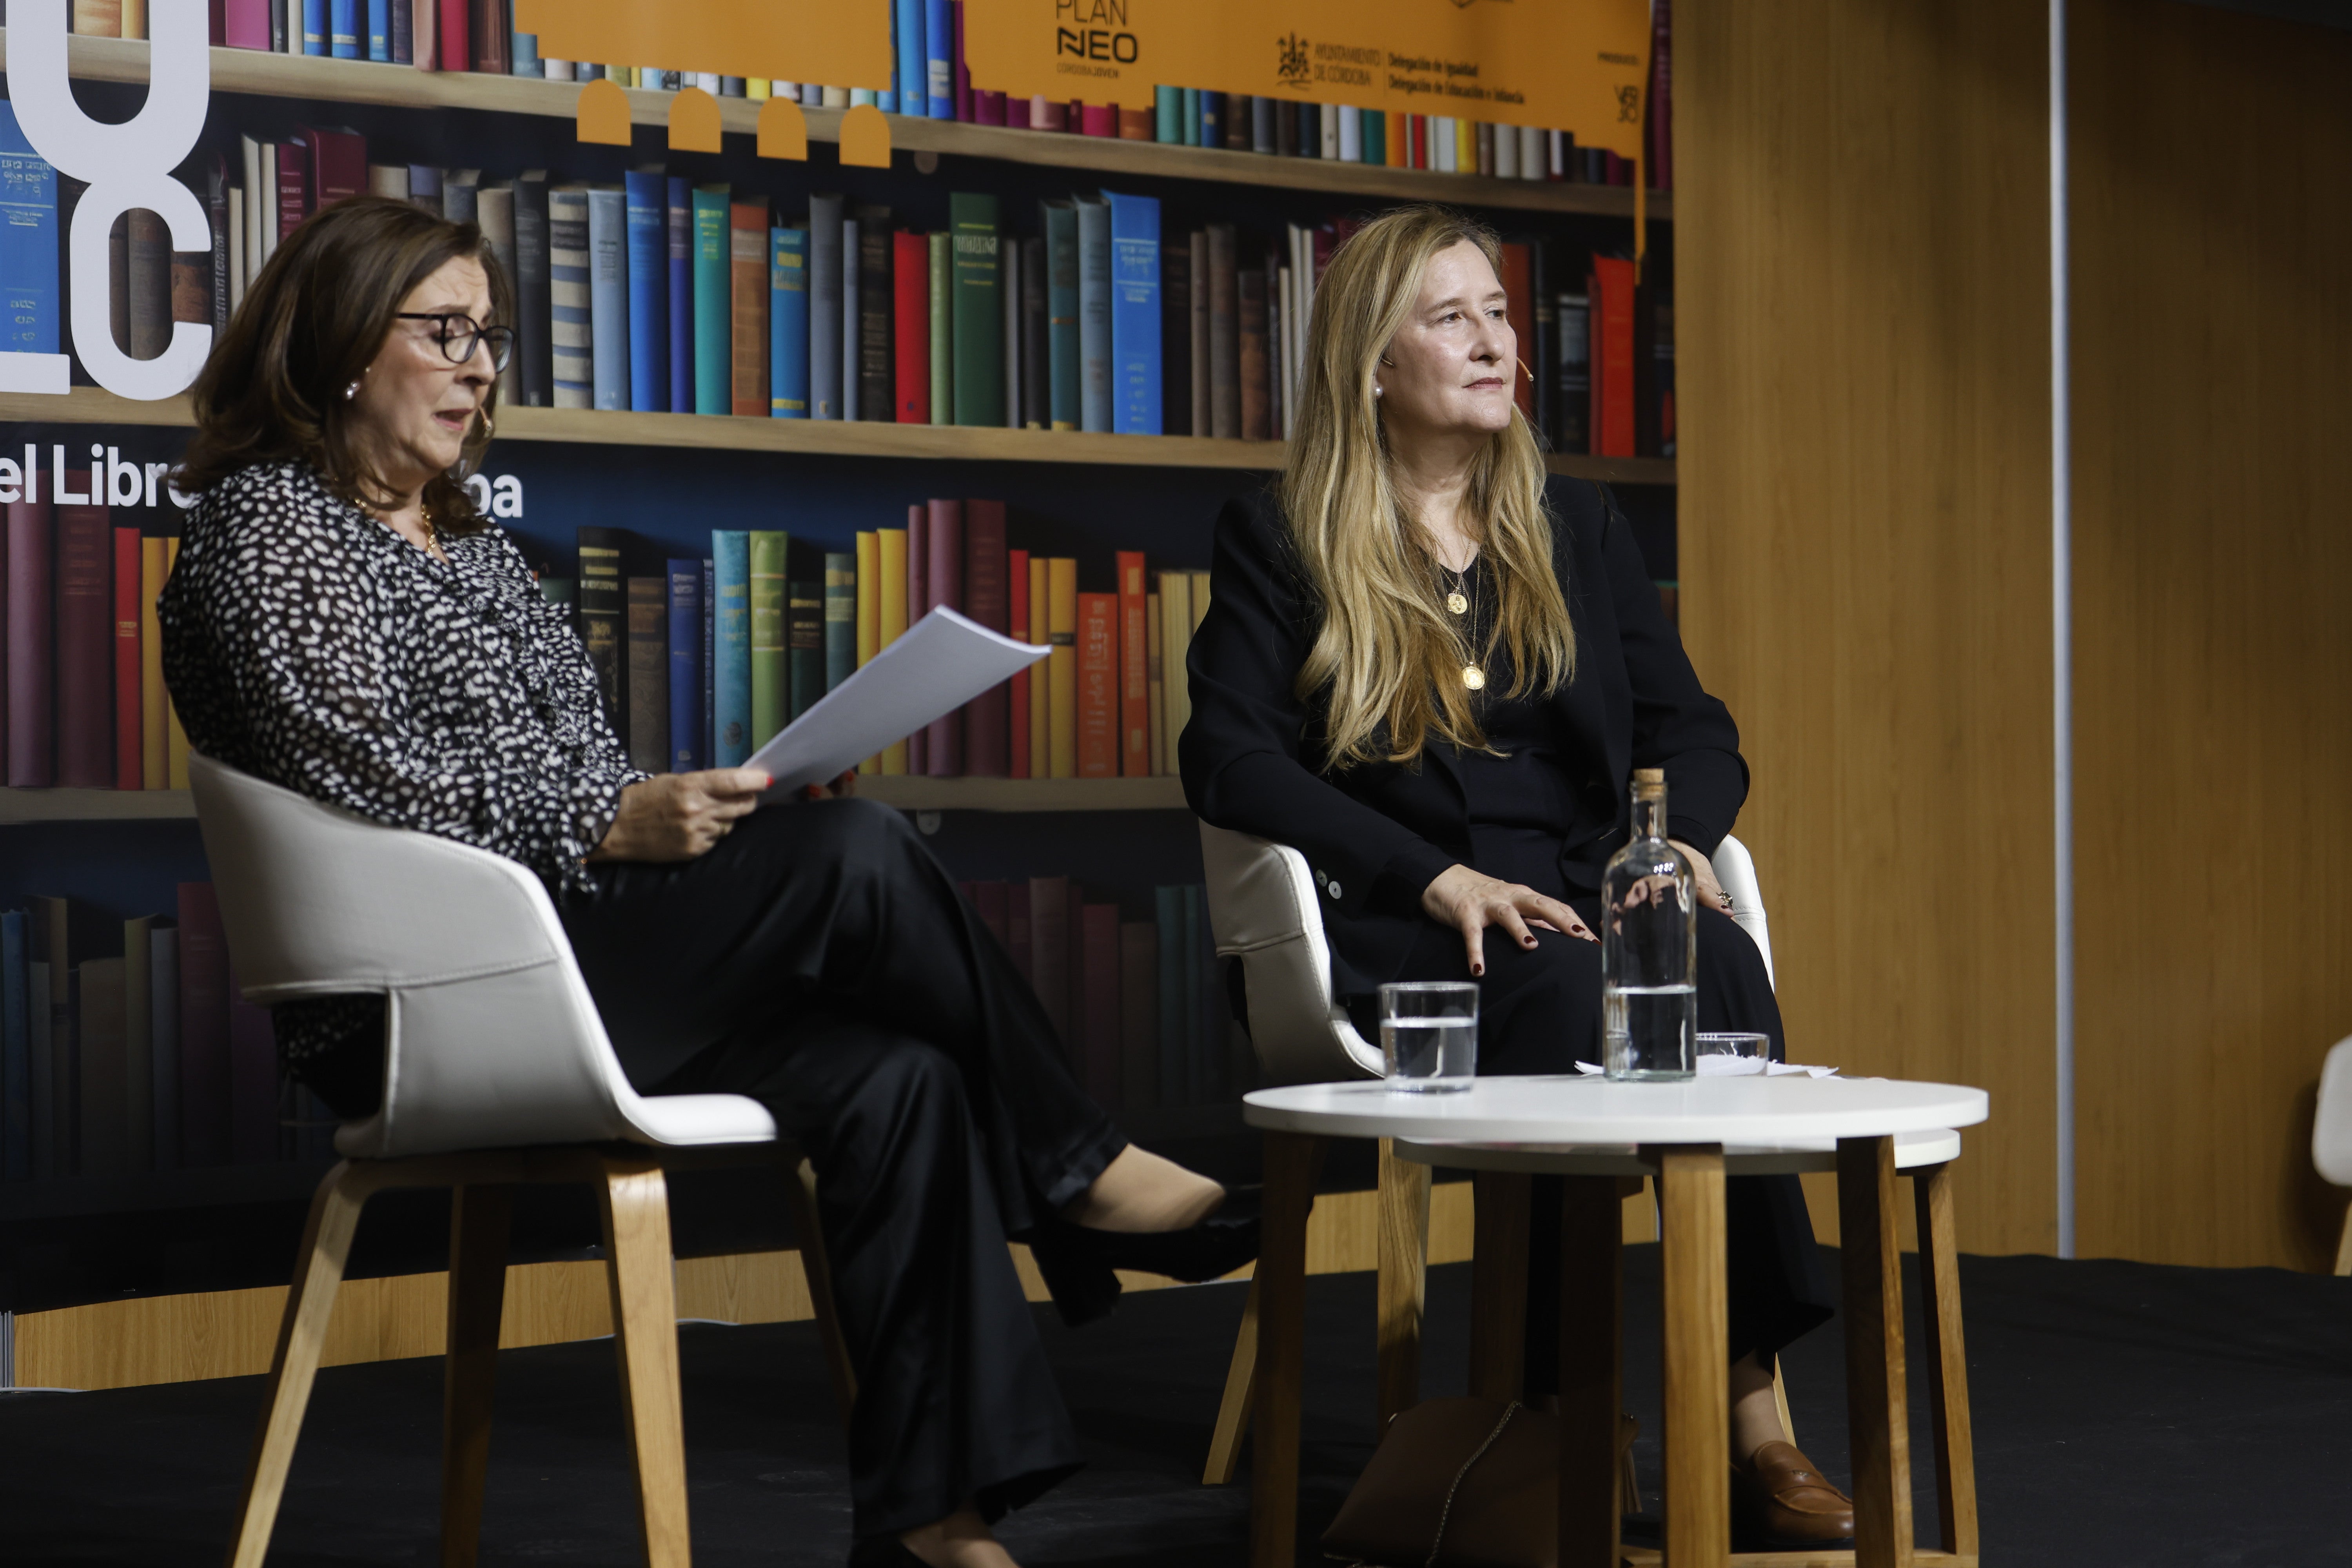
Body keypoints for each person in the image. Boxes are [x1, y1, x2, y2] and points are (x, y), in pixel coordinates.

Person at [157, 195, 1254, 1568]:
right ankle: (1076, 1167)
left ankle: (931, 1521)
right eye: (444, 332)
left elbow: (583, 768)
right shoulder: (268, 529)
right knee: (861, 853)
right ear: (337, 344)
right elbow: (362, 772)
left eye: (491, 337)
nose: (479, 367)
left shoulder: (473, 542)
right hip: (422, 998)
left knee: (898, 1071)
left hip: (572, 952)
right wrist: (613, 818)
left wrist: (691, 814)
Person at [1179, 205, 1853, 1548]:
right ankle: (1556, 1411)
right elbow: (1228, 758)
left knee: (1715, 962)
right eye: (1454, 318)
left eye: (1498, 312)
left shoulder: (1575, 525)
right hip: (1413, 922)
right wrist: (1432, 879)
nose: (1498, 342)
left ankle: (1753, 1415)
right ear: (1375, 363)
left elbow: (1695, 730)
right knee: (1556, 990)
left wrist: (1669, 850)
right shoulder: (1284, 536)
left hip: (1584, 890)